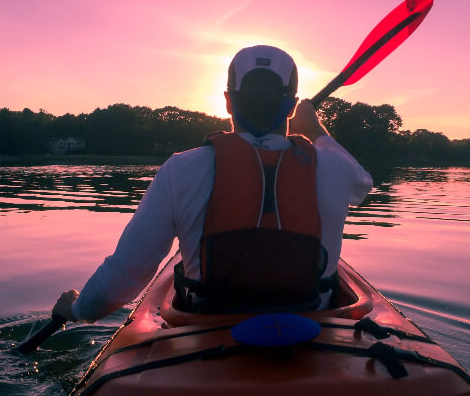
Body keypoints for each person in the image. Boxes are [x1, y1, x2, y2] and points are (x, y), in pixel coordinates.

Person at [53, 45, 372, 321]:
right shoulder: (334, 167)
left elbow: (125, 275)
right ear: (291, 107)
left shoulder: (181, 169)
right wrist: (314, 128)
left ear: (228, 102)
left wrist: (78, 309)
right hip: (314, 329)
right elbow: (363, 184)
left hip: (208, 329)